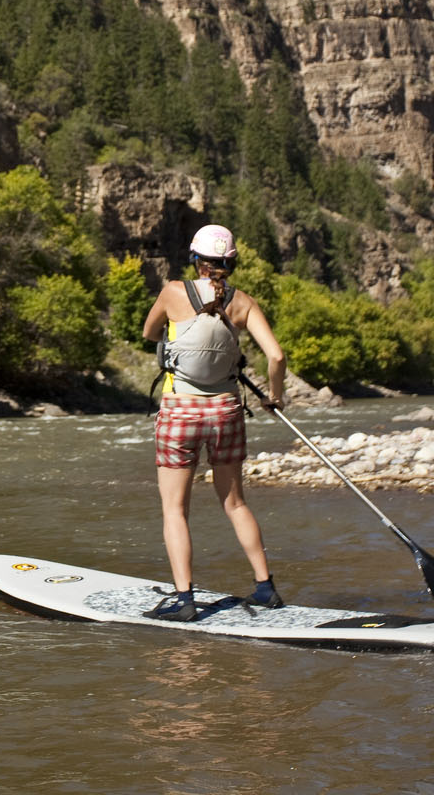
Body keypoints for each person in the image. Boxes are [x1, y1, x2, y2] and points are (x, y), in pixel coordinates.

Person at [138, 224, 289, 621]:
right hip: (225, 411)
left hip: (180, 412)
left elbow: (148, 332)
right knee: (235, 502)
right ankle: (265, 589)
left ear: (195, 260)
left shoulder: (173, 292)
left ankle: (185, 601)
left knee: (175, 510)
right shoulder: (245, 304)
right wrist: (275, 397)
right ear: (232, 262)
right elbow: (276, 357)